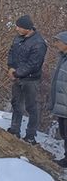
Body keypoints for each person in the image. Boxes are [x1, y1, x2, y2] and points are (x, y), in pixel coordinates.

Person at [6, 15, 47, 144]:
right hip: (17, 76)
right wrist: (11, 68)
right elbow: (11, 53)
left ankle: (30, 135)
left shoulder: (39, 43)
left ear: (27, 28)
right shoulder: (18, 38)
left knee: (31, 107)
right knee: (16, 104)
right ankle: (14, 129)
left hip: (30, 80)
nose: (17, 28)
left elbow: (34, 64)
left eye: (19, 27)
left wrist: (17, 73)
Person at [49, 31, 67, 167]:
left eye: (59, 42)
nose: (56, 44)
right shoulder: (62, 57)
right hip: (61, 103)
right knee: (64, 133)